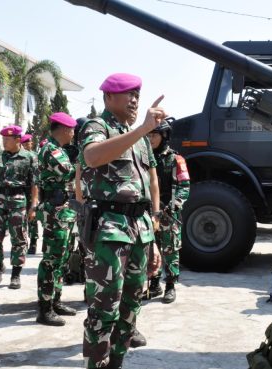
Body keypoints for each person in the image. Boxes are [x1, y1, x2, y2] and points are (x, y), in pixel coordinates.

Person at [79, 73, 165, 369]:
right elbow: (91, 157)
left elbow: (150, 182)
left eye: (137, 95)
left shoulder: (139, 137)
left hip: (139, 229)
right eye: (126, 93)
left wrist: (153, 236)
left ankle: (115, 363)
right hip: (108, 228)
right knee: (104, 311)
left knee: (130, 309)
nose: (134, 100)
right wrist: (142, 129)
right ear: (107, 98)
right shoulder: (96, 126)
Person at [35, 112, 79, 326]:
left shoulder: (59, 149)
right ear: (63, 129)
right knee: (52, 259)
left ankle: (56, 300)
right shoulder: (51, 150)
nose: (73, 133)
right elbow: (69, 172)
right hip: (55, 210)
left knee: (62, 257)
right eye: (71, 129)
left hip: (63, 209)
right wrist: (87, 161)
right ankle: (44, 309)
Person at [144, 117, 190, 304]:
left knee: (170, 249)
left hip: (168, 214)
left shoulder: (176, 159)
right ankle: (154, 285)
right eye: (148, 134)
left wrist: (173, 207)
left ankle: (170, 285)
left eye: (154, 134)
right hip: (148, 213)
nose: (151, 138)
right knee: (150, 250)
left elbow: (184, 186)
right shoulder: (144, 158)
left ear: (164, 135)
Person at [0, 125, 38, 288]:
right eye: (3, 139)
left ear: (18, 140)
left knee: (18, 238)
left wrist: (33, 205)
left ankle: (15, 275)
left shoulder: (29, 157)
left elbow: (34, 183)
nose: (4, 142)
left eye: (7, 139)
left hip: (18, 200)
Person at [21, 133, 40, 255]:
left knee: (33, 218)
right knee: (22, 219)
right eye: (26, 143)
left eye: (30, 142)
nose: (29, 144)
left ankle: (33, 243)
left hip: (32, 190)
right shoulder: (19, 156)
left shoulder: (35, 156)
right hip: (21, 191)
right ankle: (23, 242)